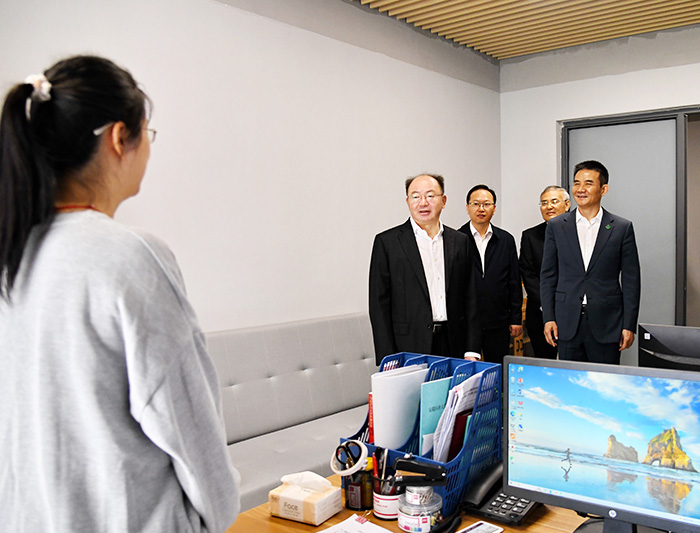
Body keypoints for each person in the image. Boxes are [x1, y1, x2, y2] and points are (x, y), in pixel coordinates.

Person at [0, 56, 240, 531]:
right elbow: (191, 428)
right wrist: (220, 513)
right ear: (117, 138)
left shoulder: (13, 253)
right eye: (146, 134)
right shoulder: (131, 256)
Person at [369, 173, 480, 366]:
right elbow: (379, 305)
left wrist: (472, 349)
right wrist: (388, 357)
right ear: (407, 201)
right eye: (416, 196)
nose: (423, 203)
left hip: (454, 342)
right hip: (408, 346)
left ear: (443, 201)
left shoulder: (460, 241)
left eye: (430, 196)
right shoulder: (387, 243)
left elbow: (471, 297)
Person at [541, 160, 641, 364]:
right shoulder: (557, 226)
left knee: (604, 380)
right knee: (569, 380)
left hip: (607, 322)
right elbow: (548, 275)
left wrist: (628, 325)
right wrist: (549, 317)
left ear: (603, 189)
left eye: (588, 183)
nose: (580, 189)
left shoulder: (621, 228)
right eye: (576, 183)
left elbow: (631, 280)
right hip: (566, 321)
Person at [459, 184, 522, 365]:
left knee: (496, 369)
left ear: (494, 208)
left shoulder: (505, 240)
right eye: (476, 204)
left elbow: (513, 281)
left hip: (498, 320)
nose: (481, 209)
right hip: (465, 322)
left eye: (486, 204)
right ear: (467, 207)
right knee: (466, 369)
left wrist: (516, 318)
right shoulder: (457, 239)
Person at [518, 185, 571, 359]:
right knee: (545, 363)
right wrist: (547, 305)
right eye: (544, 203)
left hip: (573, 311)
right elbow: (528, 274)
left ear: (567, 204)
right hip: (539, 313)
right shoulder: (530, 236)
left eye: (554, 201)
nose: (549, 206)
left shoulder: (578, 232)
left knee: (573, 365)